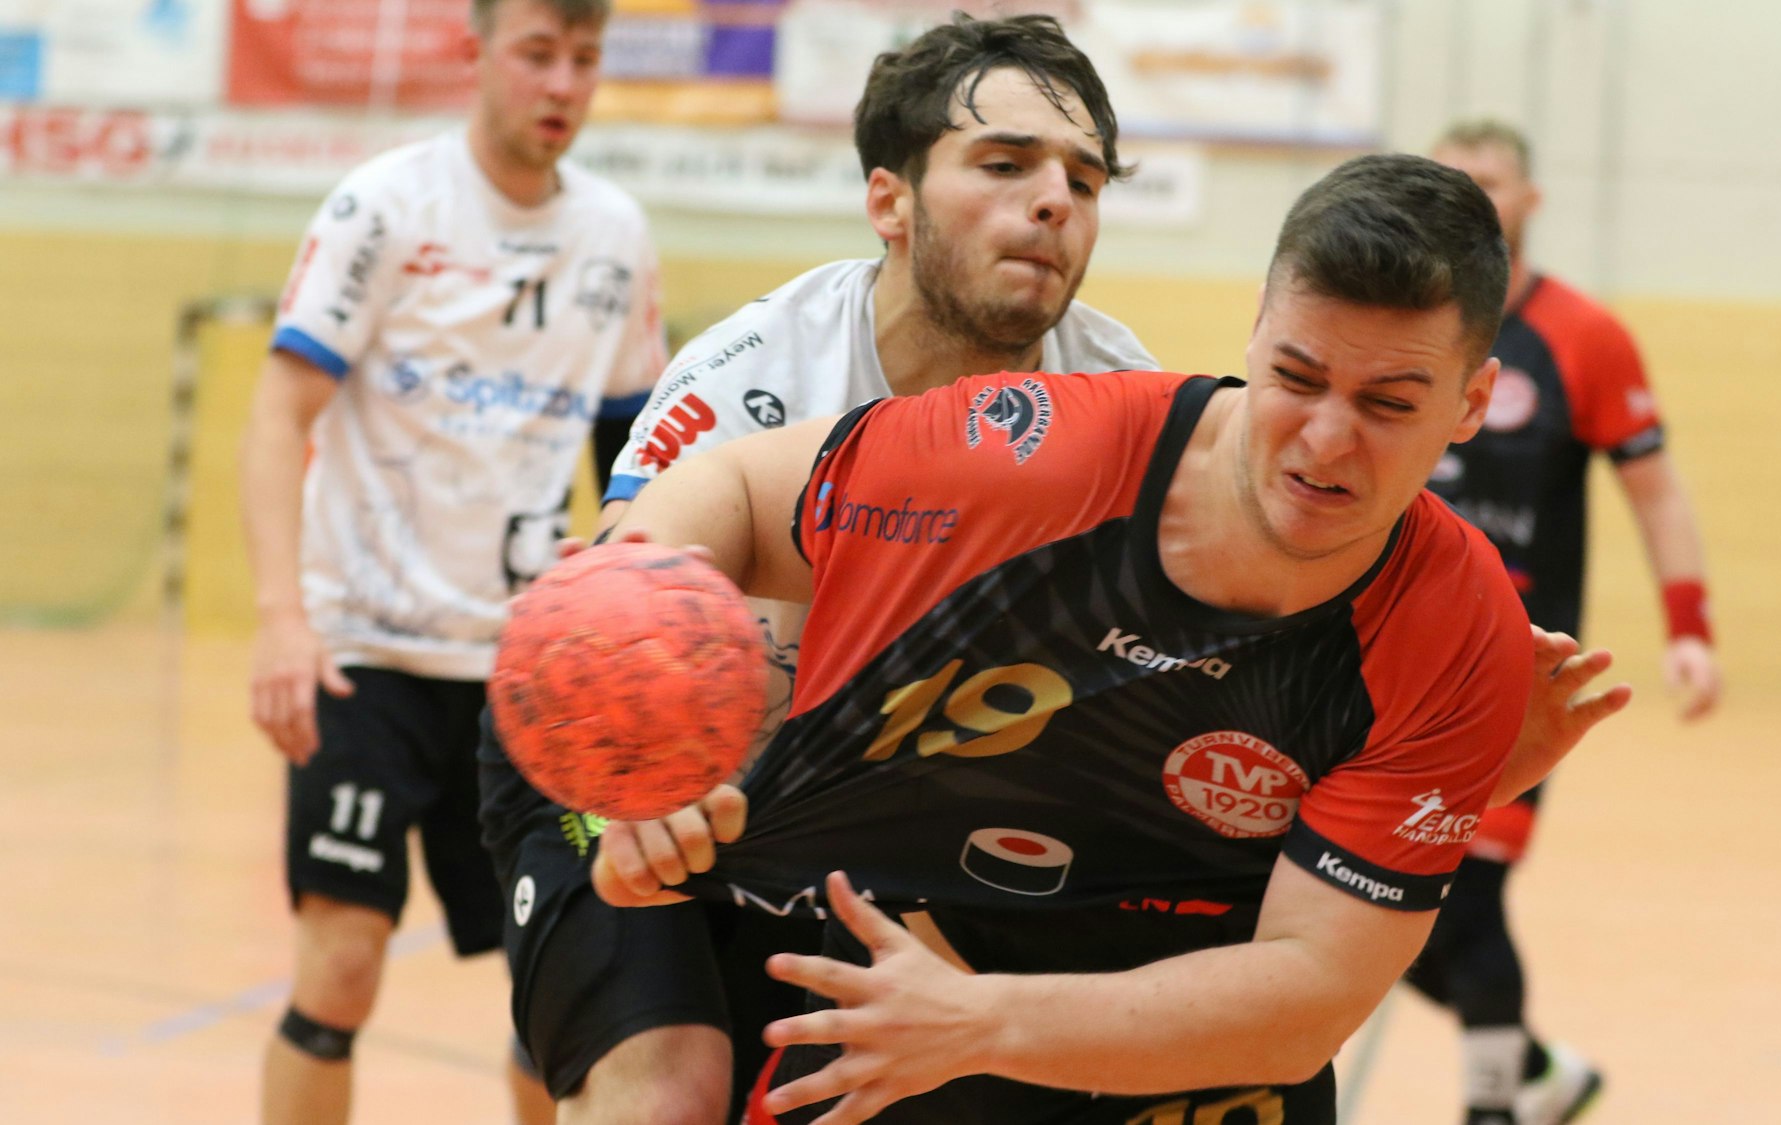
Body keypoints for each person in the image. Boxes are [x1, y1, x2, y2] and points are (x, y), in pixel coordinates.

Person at [588, 152, 1630, 1125]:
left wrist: (984, 1021)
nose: (1324, 439)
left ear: (1471, 404)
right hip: (910, 996)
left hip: (1185, 1056)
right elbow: (718, 489)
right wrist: (646, 733)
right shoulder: (1035, 461)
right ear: (1256, 332)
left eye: (1387, 404)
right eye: (1297, 378)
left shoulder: (1455, 632)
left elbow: (1307, 995)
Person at [474, 12, 1156, 1124]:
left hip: (856, 809)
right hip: (621, 756)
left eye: (1084, 180)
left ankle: (565, 1026)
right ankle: (588, 1016)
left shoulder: (1122, 405)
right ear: (888, 201)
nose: (1052, 202)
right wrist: (635, 788)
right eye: (1002, 164)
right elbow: (601, 620)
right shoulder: (755, 373)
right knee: (672, 1095)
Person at [237, 0, 664, 1119]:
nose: (561, 82)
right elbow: (280, 415)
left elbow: (634, 459)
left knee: (559, 994)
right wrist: (283, 618)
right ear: (476, 56)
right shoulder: (384, 206)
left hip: (532, 675)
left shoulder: (615, 234)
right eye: (536, 53)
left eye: (583, 58)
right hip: (365, 658)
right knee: (339, 967)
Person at [1413, 118, 1723, 1125]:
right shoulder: (1405, 321)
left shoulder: (1582, 336)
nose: (1469, 191)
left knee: (1471, 900)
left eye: (1488, 178)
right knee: (1360, 903)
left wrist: (1689, 627)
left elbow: (1656, 493)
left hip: (1515, 669)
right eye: (1449, 178)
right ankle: (1539, 1075)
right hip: (1381, 660)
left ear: (1527, 199)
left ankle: (1494, 1107)